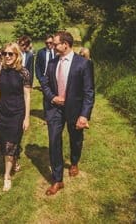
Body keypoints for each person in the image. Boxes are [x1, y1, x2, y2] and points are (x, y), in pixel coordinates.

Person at [41, 31, 95, 196]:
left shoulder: (83, 64)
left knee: (76, 139)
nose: (52, 46)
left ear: (65, 44)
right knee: (54, 141)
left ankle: (74, 162)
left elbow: (89, 92)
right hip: (55, 109)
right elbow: (45, 84)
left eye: (55, 43)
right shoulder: (52, 63)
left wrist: (84, 115)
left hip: (75, 109)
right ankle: (57, 179)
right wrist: (52, 97)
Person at [0, 43, 32, 191]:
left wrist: (27, 117)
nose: (7, 56)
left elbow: (27, 96)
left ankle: (7, 176)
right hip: (2, 111)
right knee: (3, 143)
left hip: (17, 113)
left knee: (11, 144)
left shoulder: (24, 72)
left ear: (17, 55)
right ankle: (14, 160)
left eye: (10, 54)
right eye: (4, 53)